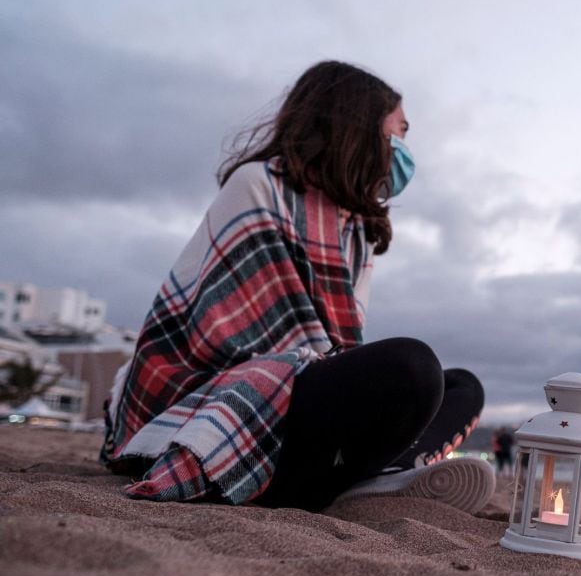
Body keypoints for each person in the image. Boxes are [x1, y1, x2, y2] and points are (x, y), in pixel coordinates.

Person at [99, 60, 494, 514]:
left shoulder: (359, 230)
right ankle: (359, 480)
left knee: (462, 386)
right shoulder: (259, 185)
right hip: (233, 393)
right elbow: (213, 333)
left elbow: (338, 346)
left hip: (304, 394)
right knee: (412, 366)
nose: (403, 149)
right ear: (358, 126)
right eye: (398, 132)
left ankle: (372, 479)